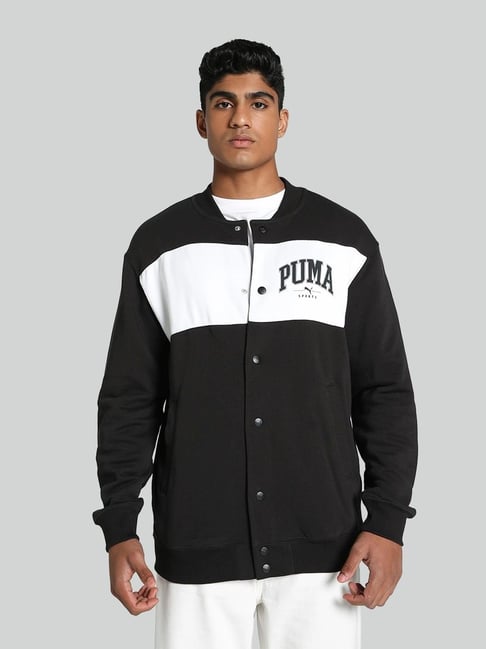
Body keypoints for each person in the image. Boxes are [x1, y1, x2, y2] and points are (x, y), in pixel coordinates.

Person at [93, 38, 418, 649]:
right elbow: (129, 398)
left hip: (325, 550)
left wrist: (389, 522)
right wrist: (119, 526)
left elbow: (384, 390)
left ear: (282, 120)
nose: (240, 118)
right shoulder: (159, 246)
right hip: (197, 545)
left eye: (258, 103)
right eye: (224, 103)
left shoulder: (344, 240)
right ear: (201, 121)